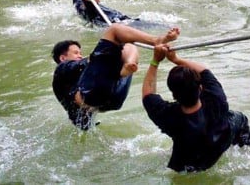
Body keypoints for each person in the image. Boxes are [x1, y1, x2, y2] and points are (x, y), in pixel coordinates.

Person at [142, 46, 250, 173]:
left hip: (191, 164)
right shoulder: (216, 98)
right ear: (200, 88)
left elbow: (148, 94)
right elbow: (204, 70)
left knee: (181, 167)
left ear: (174, 96)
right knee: (240, 118)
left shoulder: (169, 116)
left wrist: (155, 61)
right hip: (221, 141)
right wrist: (175, 59)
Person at [52, 24, 180, 130]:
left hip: (106, 100)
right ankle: (154, 41)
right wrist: (100, 54)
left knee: (129, 46)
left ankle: (126, 66)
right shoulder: (62, 69)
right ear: (62, 58)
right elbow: (83, 63)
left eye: (80, 53)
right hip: (105, 99)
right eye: (76, 53)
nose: (80, 55)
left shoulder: (80, 75)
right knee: (114, 31)